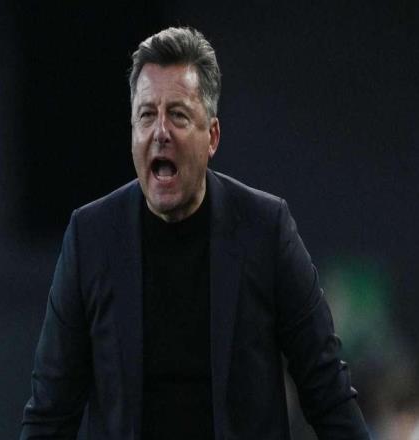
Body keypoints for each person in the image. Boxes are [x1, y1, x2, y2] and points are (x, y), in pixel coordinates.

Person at [20, 27, 369, 439]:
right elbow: (50, 413)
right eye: (146, 115)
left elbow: (327, 391)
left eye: (178, 115)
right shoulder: (90, 238)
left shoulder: (266, 229)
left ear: (212, 137)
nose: (160, 132)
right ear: (132, 133)